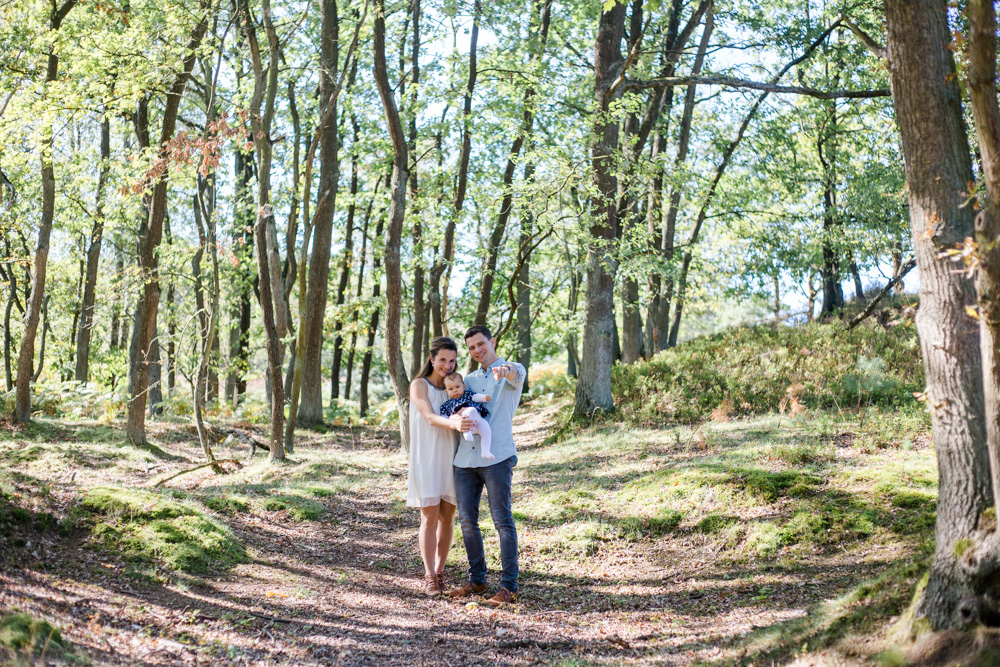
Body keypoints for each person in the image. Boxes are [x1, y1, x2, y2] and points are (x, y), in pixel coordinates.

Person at [446, 325, 526, 606]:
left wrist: (505, 371)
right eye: (471, 348)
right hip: (465, 459)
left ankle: (509, 586)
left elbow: (516, 375)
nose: (478, 350)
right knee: (468, 522)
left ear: (492, 342)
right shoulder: (466, 379)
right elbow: (458, 408)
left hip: (497, 456)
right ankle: (478, 580)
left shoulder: (512, 369)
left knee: (502, 521)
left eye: (481, 344)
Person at [407, 337, 468, 596]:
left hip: (453, 458)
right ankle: (429, 575)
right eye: (442, 359)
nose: (447, 365)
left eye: (452, 360)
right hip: (427, 459)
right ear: (432, 359)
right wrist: (453, 423)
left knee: (448, 517)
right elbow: (430, 416)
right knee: (429, 517)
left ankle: (441, 572)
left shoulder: (454, 386)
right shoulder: (418, 385)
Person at [439, 371, 493, 460]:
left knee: (486, 430)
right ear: (446, 391)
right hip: (464, 422)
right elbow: (444, 418)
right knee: (470, 410)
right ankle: (467, 431)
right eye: (451, 389)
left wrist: (483, 397)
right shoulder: (446, 405)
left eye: (457, 387)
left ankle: (485, 451)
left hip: (477, 420)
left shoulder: (467, 394)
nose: (455, 390)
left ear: (463, 386)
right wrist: (450, 419)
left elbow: (475, 396)